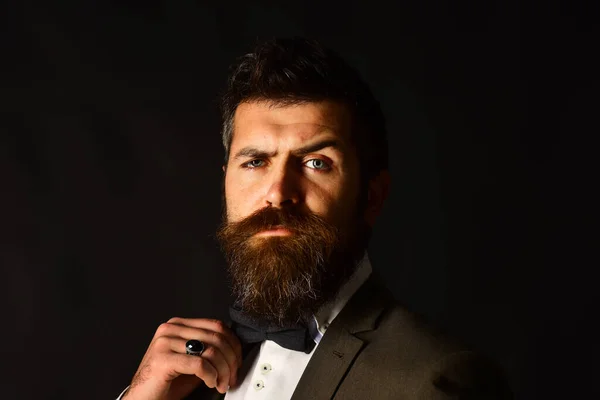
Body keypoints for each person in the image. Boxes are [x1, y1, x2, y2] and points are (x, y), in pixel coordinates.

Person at [117, 37, 512, 400]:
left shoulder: (438, 381)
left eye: (315, 162)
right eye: (255, 161)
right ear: (225, 183)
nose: (278, 192)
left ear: (371, 196)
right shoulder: (175, 383)